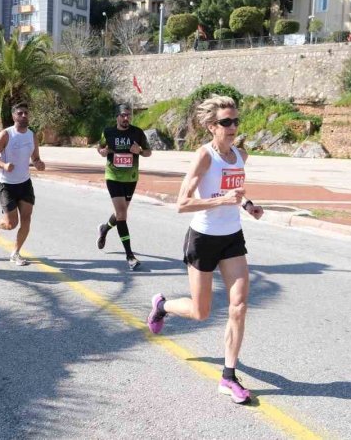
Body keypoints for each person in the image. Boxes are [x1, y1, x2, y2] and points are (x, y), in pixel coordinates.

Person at [145, 95, 264, 404]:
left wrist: (248, 205)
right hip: (203, 238)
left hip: (232, 238)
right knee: (201, 312)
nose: (233, 127)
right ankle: (163, 306)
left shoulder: (241, 154)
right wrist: (221, 200)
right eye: (226, 122)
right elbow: (182, 203)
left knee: (239, 306)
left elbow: (235, 192)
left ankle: (228, 376)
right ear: (212, 127)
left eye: (236, 121)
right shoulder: (204, 156)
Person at [0, 103, 45, 265]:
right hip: (7, 185)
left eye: (26, 113)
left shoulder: (32, 135)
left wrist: (39, 163)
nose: (24, 116)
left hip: (25, 183)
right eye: (20, 113)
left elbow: (35, 158)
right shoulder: (6, 134)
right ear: (14, 116)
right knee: (11, 224)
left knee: (26, 219)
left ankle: (15, 253)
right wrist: (4, 165)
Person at [96, 103, 152, 270]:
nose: (126, 118)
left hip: (131, 178)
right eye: (123, 115)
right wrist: (102, 152)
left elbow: (149, 152)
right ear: (117, 117)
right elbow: (100, 147)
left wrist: (139, 151)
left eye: (129, 115)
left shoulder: (137, 132)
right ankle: (130, 255)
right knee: (122, 213)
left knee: (120, 213)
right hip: (113, 176)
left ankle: (105, 229)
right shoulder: (108, 132)